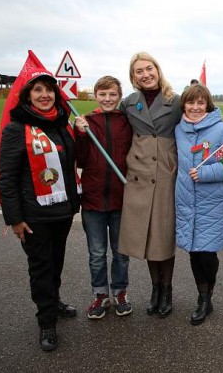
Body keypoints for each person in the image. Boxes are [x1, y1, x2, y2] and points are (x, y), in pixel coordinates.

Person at [118, 52, 223, 318]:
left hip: (195, 193)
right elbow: (114, 125)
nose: (145, 74)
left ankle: (196, 295)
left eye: (149, 68)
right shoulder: (139, 108)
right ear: (133, 76)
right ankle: (160, 290)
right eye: (139, 71)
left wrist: (222, 127)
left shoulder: (179, 106)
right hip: (176, 191)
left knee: (198, 251)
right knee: (162, 240)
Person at [0, 69, 81, 351]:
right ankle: (46, 323)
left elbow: (70, 165)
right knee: (41, 267)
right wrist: (15, 219)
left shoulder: (61, 124)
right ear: (28, 96)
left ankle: (53, 302)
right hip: (34, 217)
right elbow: (6, 177)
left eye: (49, 90)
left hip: (62, 212)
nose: (45, 95)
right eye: (38, 90)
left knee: (55, 263)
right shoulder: (16, 129)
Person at [174, 84, 223, 326]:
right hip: (186, 200)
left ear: (208, 105)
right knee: (193, 251)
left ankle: (206, 296)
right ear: (184, 105)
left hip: (213, 203)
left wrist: (206, 173)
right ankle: (203, 297)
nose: (195, 108)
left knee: (207, 253)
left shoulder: (221, 130)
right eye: (191, 103)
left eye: (201, 103)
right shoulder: (178, 130)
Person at [74, 76, 133, 320]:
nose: (107, 99)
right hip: (93, 200)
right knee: (97, 253)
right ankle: (100, 295)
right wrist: (80, 134)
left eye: (112, 95)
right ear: (95, 96)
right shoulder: (87, 121)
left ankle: (120, 292)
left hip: (122, 199)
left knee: (121, 252)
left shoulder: (126, 122)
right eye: (102, 94)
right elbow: (79, 160)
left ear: (119, 96)